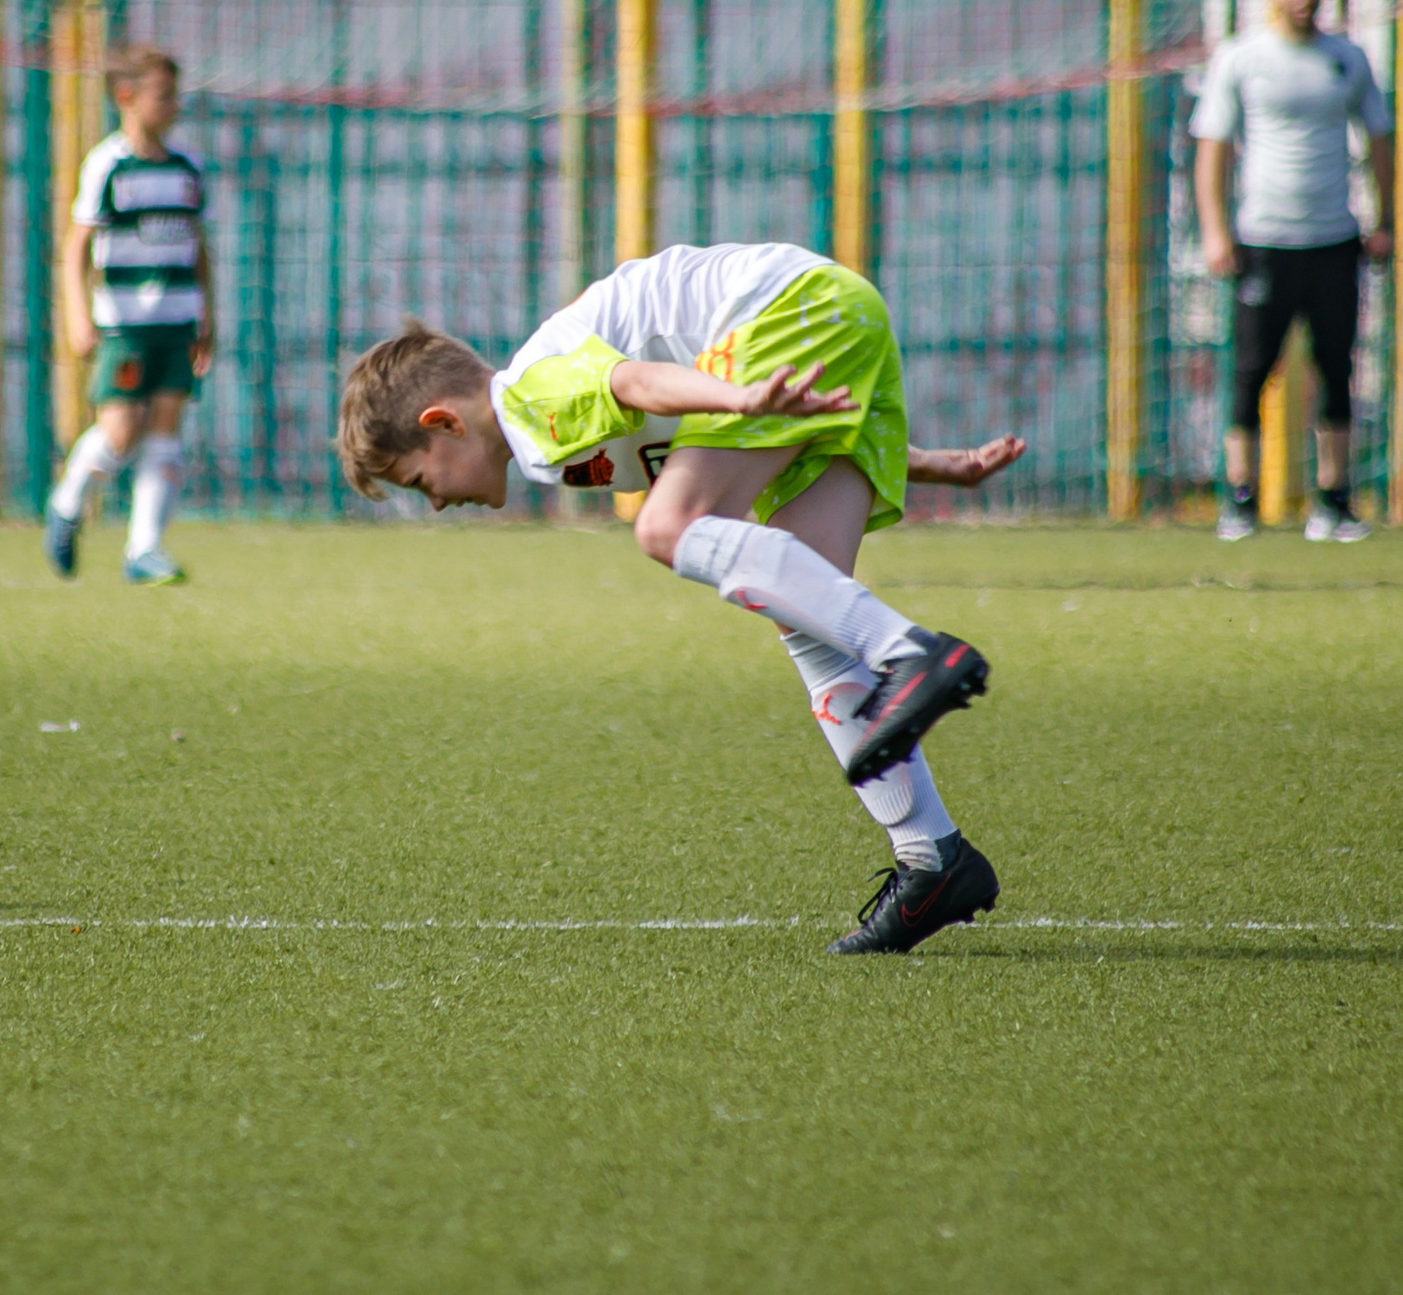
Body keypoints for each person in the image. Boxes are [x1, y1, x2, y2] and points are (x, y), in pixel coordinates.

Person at [335, 242, 1027, 955]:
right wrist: (928, 465)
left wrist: (737, 395)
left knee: (667, 525)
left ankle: (907, 652)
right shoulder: (550, 437)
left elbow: (636, 381)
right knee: (811, 620)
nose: (438, 504)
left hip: (787, 312)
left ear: (443, 424)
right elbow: (739, 428)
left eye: (421, 483)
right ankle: (933, 859)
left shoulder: (526, 399)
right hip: (831, 321)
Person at [1192, 0, 1393, 544]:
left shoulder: (1346, 59)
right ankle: (1240, 498)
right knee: (1253, 371)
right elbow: (1214, 147)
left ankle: (1334, 500)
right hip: (1263, 239)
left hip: (1334, 238)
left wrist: (1385, 218)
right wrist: (1214, 229)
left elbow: (1380, 137)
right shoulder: (1242, 57)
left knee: (1338, 368)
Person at [44, 46, 215, 585]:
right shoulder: (109, 165)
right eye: (163, 96)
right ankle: (68, 505)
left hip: (177, 320)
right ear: (126, 97)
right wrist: (77, 314)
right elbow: (76, 247)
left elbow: (199, 245)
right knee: (120, 431)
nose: (173, 106)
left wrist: (208, 314)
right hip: (124, 323)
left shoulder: (188, 167)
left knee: (166, 427)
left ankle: (144, 549)